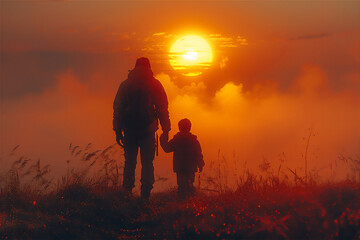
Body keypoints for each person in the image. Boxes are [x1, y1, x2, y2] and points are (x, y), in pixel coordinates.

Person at [113, 57, 171, 201]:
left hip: (129, 130)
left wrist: (117, 130)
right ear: (149, 67)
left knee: (129, 163)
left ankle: (127, 192)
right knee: (147, 163)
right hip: (148, 130)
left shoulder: (125, 84)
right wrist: (166, 129)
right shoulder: (155, 84)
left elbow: (118, 109)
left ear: (135, 66)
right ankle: (145, 196)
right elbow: (163, 109)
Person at [160, 118, 204, 199]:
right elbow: (199, 154)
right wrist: (200, 164)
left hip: (180, 167)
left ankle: (182, 202)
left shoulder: (177, 140)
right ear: (190, 127)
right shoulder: (193, 140)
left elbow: (167, 148)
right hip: (190, 167)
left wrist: (162, 139)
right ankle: (190, 202)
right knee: (189, 185)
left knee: (181, 186)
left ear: (179, 127)